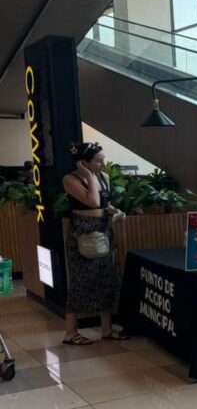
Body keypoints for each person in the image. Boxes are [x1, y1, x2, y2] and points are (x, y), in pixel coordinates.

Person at [61, 142, 128, 345]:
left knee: (106, 278)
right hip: (83, 234)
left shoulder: (104, 177)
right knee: (81, 282)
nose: (103, 164)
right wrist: (88, 176)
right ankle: (70, 333)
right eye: (98, 161)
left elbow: (104, 203)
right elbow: (93, 202)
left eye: (103, 160)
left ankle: (106, 328)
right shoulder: (70, 179)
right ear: (84, 162)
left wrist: (114, 211)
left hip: (104, 231)